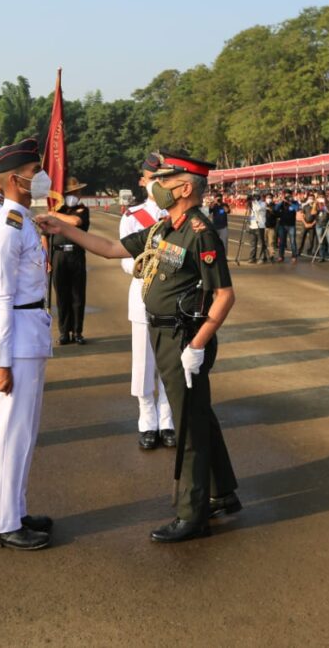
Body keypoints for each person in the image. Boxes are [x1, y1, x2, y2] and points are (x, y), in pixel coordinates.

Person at [36, 150, 239, 544]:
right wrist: (64, 229)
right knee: (199, 416)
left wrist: (197, 345)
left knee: (189, 429)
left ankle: (191, 513)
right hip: (163, 334)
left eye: (163, 180)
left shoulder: (200, 232)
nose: (155, 186)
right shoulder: (165, 228)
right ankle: (223, 490)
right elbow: (113, 249)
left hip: (184, 338)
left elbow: (225, 296)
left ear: (184, 187)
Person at [0, 138, 55, 550]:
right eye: (33, 171)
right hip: (17, 338)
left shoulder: (22, 219)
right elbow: (2, 299)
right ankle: (3, 522)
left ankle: (16, 508)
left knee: (23, 433)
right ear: (14, 179)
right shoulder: (6, 228)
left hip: (31, 330)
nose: (40, 177)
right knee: (10, 433)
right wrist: (1, 361)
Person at [120, 153, 175, 450]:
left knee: (169, 360)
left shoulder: (178, 214)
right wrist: (141, 265)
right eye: (154, 179)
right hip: (143, 294)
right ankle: (146, 421)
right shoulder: (133, 217)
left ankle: (167, 420)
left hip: (172, 297)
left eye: (163, 178)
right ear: (143, 182)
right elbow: (124, 258)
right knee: (143, 362)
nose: (159, 184)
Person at [50, 177, 91, 345]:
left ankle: (78, 331)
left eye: (76, 192)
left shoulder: (81, 210)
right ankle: (64, 332)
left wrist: (54, 215)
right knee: (62, 296)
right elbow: (45, 236)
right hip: (58, 255)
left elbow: (75, 222)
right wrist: (46, 258)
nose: (74, 195)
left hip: (76, 255)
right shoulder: (58, 208)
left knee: (77, 296)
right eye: (71, 193)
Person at [275, 192, 300, 263]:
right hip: (282, 225)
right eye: (286, 195)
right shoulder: (282, 203)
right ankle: (281, 256)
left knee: (292, 241)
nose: (288, 196)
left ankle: (294, 256)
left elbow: (297, 208)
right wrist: (282, 201)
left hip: (291, 225)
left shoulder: (295, 202)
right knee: (282, 242)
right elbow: (276, 208)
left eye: (289, 195)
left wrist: (290, 202)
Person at [247, 194, 269, 263]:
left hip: (260, 226)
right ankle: (252, 258)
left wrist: (255, 202)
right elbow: (250, 214)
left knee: (261, 243)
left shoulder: (263, 204)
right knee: (253, 244)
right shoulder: (251, 204)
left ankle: (262, 258)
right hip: (252, 226)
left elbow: (258, 209)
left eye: (255, 197)